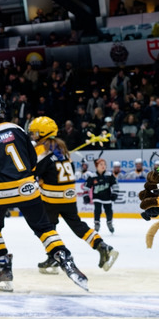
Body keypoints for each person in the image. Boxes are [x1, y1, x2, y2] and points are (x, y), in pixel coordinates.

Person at [0, 92, 87, 292]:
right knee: (44, 228)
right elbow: (32, 161)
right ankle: (62, 255)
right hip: (27, 188)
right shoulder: (17, 129)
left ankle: (4, 268)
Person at [29, 116, 118, 272]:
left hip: (51, 197)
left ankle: (54, 256)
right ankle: (102, 246)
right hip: (69, 196)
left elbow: (34, 173)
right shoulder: (63, 147)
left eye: (35, 133)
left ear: (42, 133)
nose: (33, 136)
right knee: (78, 225)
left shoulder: (41, 149)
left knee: (46, 228)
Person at [86, 158, 116, 234]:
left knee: (109, 211)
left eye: (104, 164)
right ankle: (97, 223)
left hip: (107, 197)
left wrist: (115, 193)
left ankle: (109, 222)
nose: (103, 166)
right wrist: (85, 195)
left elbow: (115, 185)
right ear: (96, 166)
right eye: (101, 164)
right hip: (97, 197)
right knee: (97, 210)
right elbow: (86, 187)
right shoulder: (92, 176)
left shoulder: (109, 175)